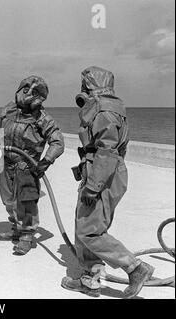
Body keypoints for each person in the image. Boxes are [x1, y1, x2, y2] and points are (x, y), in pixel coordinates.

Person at [61, 66, 155, 298]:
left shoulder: (104, 112)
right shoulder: (104, 108)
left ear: (92, 86)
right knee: (84, 226)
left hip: (104, 174)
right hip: (98, 172)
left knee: (90, 232)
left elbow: (107, 151)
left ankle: (135, 268)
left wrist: (94, 185)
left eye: (85, 85)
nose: (82, 90)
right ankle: (89, 280)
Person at [0, 75, 65, 255]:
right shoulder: (8, 109)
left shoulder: (42, 118)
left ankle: (27, 235)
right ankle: (16, 228)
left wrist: (45, 161)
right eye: (25, 89)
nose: (28, 94)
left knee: (26, 202)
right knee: (8, 199)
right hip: (6, 163)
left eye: (33, 92)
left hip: (26, 165)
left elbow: (58, 142)